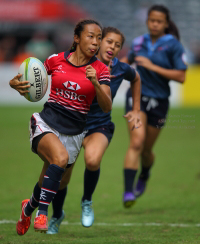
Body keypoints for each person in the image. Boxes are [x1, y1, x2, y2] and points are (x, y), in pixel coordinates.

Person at [9, 19, 112, 235]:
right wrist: (15, 84)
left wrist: (95, 83)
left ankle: (27, 209)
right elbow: (30, 80)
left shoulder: (101, 70)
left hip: (74, 131)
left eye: (99, 38)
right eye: (90, 36)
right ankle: (42, 214)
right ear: (76, 38)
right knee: (60, 159)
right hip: (47, 122)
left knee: (50, 178)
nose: (95, 42)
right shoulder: (55, 60)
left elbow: (106, 106)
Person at [45, 26, 141, 234]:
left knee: (93, 160)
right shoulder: (80, 63)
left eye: (117, 45)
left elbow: (136, 78)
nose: (112, 47)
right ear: (98, 43)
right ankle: (57, 215)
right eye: (108, 42)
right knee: (62, 178)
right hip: (71, 125)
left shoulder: (121, 69)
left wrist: (135, 109)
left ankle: (87, 201)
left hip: (99, 125)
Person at [120, 4, 188, 207]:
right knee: (136, 143)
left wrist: (152, 67)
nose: (155, 24)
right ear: (147, 21)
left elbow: (182, 76)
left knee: (147, 150)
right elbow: (127, 60)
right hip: (136, 100)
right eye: (152, 20)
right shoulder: (139, 42)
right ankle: (128, 192)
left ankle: (145, 173)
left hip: (160, 103)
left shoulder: (173, 45)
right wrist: (111, 69)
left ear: (166, 24)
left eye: (159, 21)